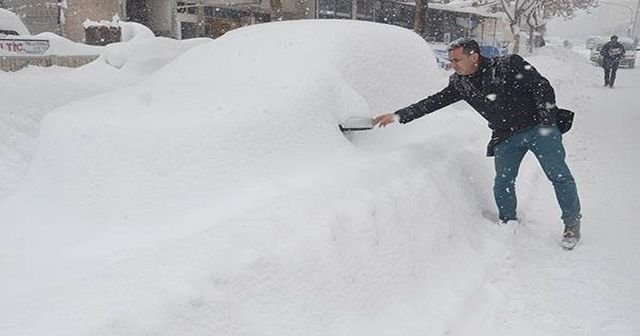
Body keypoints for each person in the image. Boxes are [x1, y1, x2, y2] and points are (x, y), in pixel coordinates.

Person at [373, 38, 582, 248]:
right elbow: (433, 102)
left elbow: (541, 86)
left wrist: (546, 122)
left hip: (539, 129)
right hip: (506, 136)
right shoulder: (460, 83)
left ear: (474, 56)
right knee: (503, 181)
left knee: (559, 176)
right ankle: (507, 220)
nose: (452, 65)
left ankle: (571, 224)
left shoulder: (509, 64)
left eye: (457, 60)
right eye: (451, 60)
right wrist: (399, 115)